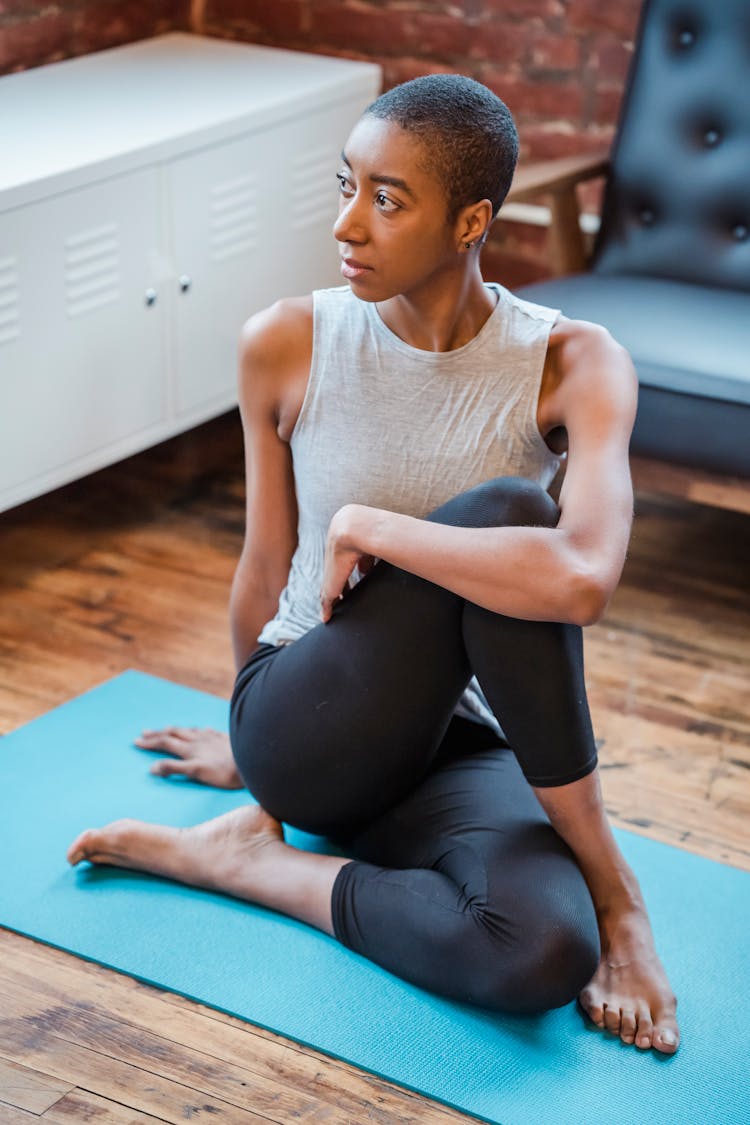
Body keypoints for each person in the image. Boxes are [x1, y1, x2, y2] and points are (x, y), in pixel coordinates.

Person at [67, 74, 679, 1054]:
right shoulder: (288, 340)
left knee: (540, 956)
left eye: (387, 200)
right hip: (307, 722)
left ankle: (257, 869)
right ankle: (624, 896)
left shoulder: (576, 363)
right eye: (345, 185)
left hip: (448, 740)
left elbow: (583, 580)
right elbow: (268, 558)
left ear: (472, 218)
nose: (348, 224)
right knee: (510, 517)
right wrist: (251, 742)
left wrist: (374, 527)